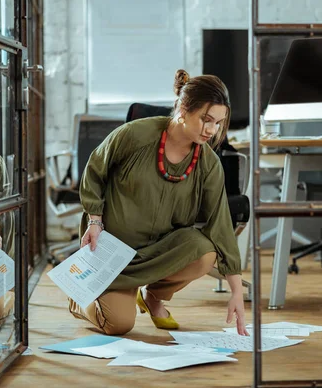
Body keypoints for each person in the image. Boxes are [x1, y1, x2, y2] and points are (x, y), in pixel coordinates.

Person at [68, 69, 249, 336]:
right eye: (206, 120)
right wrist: (94, 220)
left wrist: (236, 291)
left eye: (219, 123)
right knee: (119, 325)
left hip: (158, 253)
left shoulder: (208, 163)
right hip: (113, 252)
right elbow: (94, 172)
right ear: (183, 109)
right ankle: (79, 298)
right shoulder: (133, 135)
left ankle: (154, 296)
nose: (212, 130)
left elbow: (219, 222)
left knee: (204, 251)